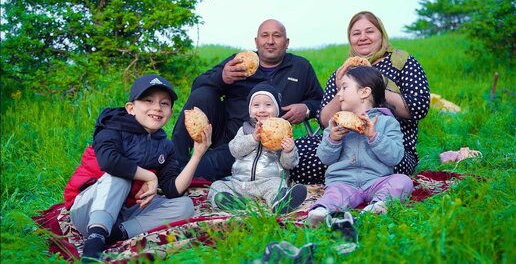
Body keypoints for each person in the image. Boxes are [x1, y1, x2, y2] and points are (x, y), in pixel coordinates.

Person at [63, 74, 212, 262]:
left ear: (170, 113)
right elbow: (110, 162)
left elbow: (173, 189)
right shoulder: (111, 127)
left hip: (125, 212)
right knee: (120, 177)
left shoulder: (164, 146)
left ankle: (117, 234)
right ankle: (93, 246)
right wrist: (150, 177)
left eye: (164, 103)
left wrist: (198, 154)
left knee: (185, 205)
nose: (157, 107)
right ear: (131, 108)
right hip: (90, 208)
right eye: (148, 100)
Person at [172, 19, 324, 182]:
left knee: (201, 169)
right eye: (265, 36)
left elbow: (321, 102)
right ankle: (174, 162)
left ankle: (190, 174)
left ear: (286, 42)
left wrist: (306, 108)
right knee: (203, 94)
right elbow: (198, 85)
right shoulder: (240, 62)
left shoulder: (300, 67)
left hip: (265, 146)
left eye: (277, 36)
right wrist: (222, 77)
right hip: (226, 133)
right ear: (256, 41)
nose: (270, 41)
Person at [292, 11, 430, 184]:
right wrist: (340, 88)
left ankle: (357, 181)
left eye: (370, 31)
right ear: (350, 39)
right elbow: (324, 120)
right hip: (346, 142)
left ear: (382, 34)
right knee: (296, 152)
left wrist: (377, 83)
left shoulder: (402, 62)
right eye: (356, 33)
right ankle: (267, 178)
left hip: (387, 143)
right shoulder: (343, 72)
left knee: (385, 163)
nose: (363, 37)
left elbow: (419, 108)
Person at [307, 66, 414, 226]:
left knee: (403, 181)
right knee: (335, 194)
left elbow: (395, 157)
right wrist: (333, 139)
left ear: (364, 92)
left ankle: (377, 206)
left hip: (377, 180)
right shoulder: (335, 123)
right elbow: (325, 158)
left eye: (344, 88)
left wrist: (374, 136)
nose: (339, 95)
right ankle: (321, 212)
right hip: (343, 181)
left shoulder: (387, 122)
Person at [208, 82, 307, 214]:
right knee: (217, 186)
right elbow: (234, 150)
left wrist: (288, 151)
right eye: (256, 105)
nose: (262, 109)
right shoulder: (244, 130)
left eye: (268, 105)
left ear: (277, 110)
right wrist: (253, 138)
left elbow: (289, 165)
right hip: (240, 183)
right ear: (250, 111)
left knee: (278, 185)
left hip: (266, 182)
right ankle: (228, 200)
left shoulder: (282, 133)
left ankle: (281, 202)